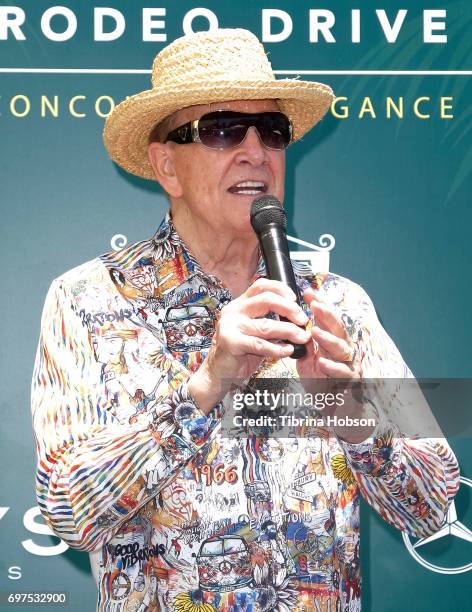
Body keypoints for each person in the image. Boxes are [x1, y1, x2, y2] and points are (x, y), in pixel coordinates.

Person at [31, 28, 459, 612]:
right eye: (223, 129)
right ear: (167, 166)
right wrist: (204, 388)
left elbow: (435, 503)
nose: (255, 151)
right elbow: (66, 511)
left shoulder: (339, 304)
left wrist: (351, 412)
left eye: (272, 132)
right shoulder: (88, 299)